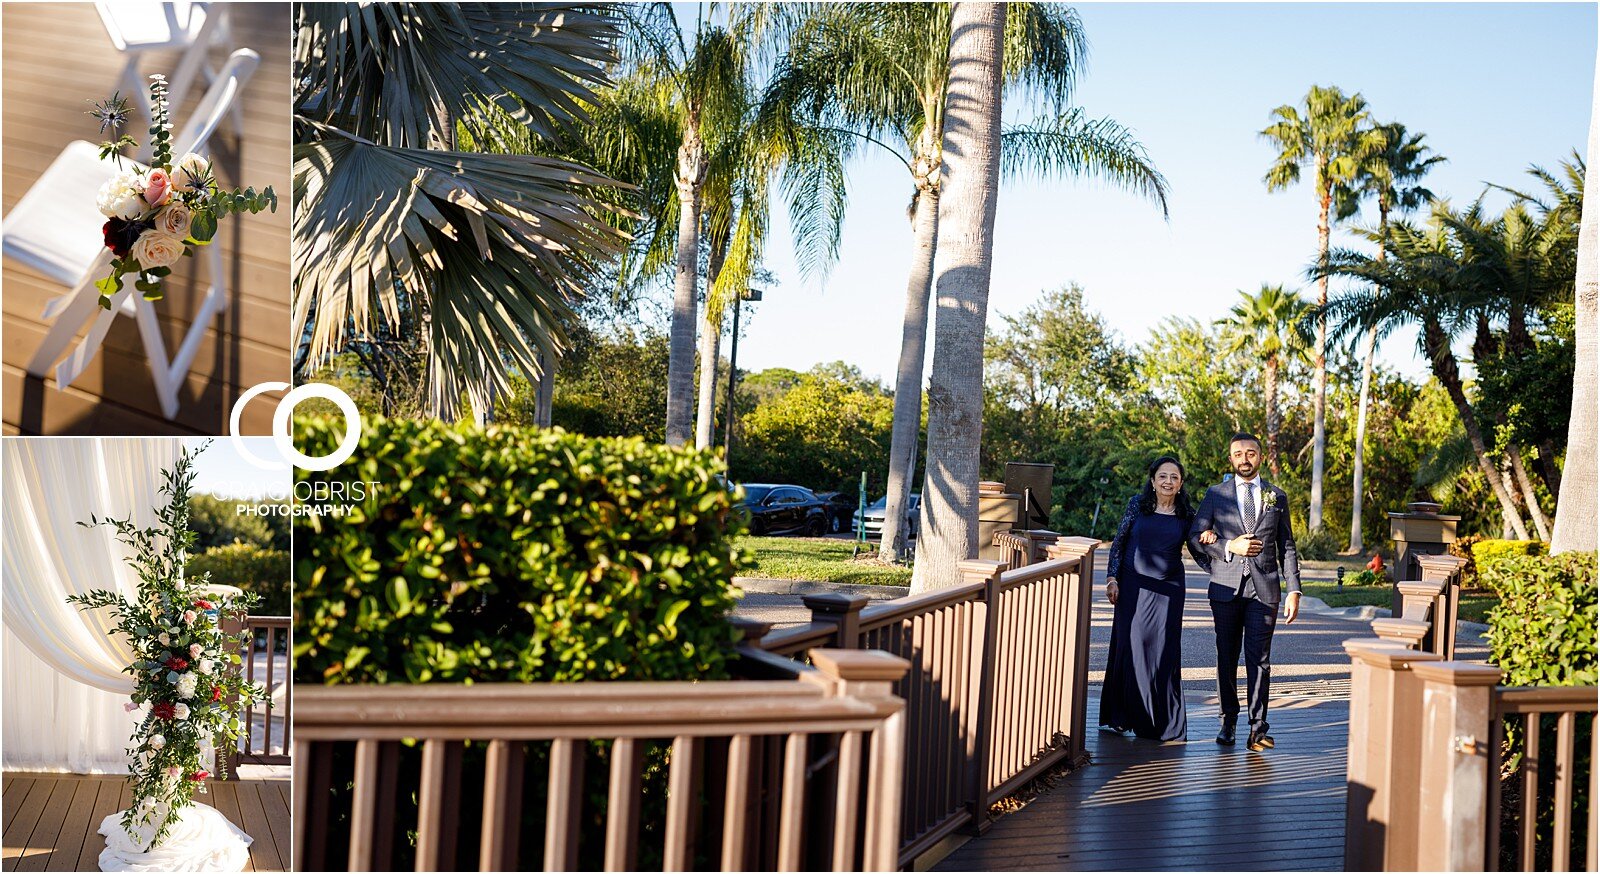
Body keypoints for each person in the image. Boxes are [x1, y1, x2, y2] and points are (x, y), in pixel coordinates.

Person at [1189, 432, 1302, 752]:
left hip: (1264, 590)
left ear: (1261, 457)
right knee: (1226, 657)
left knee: (1260, 660)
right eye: (1238, 453)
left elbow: (1287, 545)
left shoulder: (1276, 497)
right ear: (1230, 459)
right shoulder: (1215, 494)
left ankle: (1258, 727)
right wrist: (1227, 548)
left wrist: (1294, 589)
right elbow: (1195, 537)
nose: (1244, 458)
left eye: (1250, 453)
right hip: (1225, 588)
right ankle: (1228, 719)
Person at [1100, 455, 1205, 741]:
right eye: (1163, 476)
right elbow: (1119, 543)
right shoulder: (1137, 505)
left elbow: (1199, 552)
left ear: (1181, 483)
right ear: (1153, 480)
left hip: (1170, 589)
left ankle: (1159, 721)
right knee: (1131, 647)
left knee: (1163, 652)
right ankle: (1126, 715)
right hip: (1132, 586)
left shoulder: (1187, 514)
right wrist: (1112, 578)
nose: (1168, 481)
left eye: (1174, 477)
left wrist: (1223, 566)